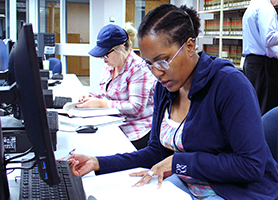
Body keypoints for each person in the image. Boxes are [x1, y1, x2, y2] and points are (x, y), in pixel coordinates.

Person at [68, 4, 278, 199]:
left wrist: (180, 162)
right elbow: (156, 152)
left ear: (189, 46)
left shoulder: (229, 85)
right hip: (189, 186)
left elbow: (251, 165)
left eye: (163, 60)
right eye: (149, 63)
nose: (156, 72)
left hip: (236, 193)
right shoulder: (165, 88)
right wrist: (98, 163)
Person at [77, 23, 157, 150]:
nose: (103, 58)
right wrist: (91, 98)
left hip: (137, 130)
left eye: (106, 54)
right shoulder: (109, 65)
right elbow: (106, 95)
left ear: (120, 48)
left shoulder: (138, 69)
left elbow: (135, 107)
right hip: (113, 123)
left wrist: (101, 104)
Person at [242, 0, 278, 115]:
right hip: (264, 65)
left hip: (252, 63)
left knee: (255, 105)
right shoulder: (266, 8)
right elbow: (268, 39)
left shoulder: (252, 6)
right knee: (267, 108)